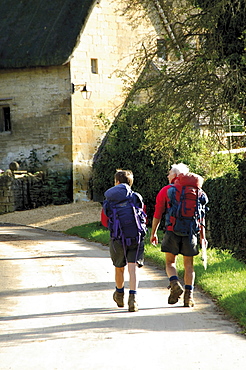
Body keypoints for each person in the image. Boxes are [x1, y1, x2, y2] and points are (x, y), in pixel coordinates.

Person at [150, 163, 208, 307]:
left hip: (172, 230)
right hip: (190, 232)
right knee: (189, 265)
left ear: (176, 175)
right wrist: (202, 237)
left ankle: (174, 283)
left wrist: (153, 233)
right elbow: (201, 217)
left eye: (169, 172)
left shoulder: (167, 190)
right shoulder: (198, 192)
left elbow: (158, 213)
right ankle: (189, 297)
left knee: (170, 262)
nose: (167, 175)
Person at [103, 169, 146, 312]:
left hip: (117, 237)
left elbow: (105, 220)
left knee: (119, 267)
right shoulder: (136, 197)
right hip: (135, 236)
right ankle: (133, 299)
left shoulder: (110, 199)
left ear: (117, 182)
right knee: (132, 269)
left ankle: (119, 293)